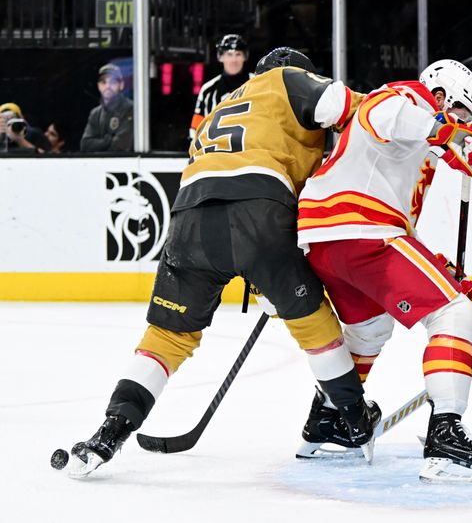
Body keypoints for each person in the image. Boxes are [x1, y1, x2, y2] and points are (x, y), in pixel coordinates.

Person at [64, 48, 372, 477]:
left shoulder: (221, 106)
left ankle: (110, 430)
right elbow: (351, 107)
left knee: (167, 338)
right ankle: (356, 418)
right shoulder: (287, 80)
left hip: (188, 219)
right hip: (259, 212)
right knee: (313, 323)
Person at [295, 59, 472, 484]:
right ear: (441, 95)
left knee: (370, 330)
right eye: (461, 111)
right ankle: (446, 438)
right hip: (360, 232)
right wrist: (450, 131)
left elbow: (398, 226)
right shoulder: (407, 96)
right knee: (454, 311)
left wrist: (436, 268)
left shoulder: (411, 154)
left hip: (332, 240)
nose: (465, 123)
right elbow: (378, 112)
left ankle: (330, 417)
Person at [189, 34, 253, 140]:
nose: (233, 60)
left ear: (244, 57)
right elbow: (196, 126)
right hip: (216, 151)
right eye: (229, 54)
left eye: (238, 54)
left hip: (250, 150)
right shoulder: (208, 90)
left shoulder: (258, 84)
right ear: (221, 57)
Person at [80, 63, 133, 152]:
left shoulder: (130, 108)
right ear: (98, 86)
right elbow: (85, 145)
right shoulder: (95, 113)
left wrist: (99, 144)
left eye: (112, 82)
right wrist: (107, 140)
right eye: (103, 82)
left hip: (123, 164)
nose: (107, 86)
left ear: (121, 85)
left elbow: (121, 145)